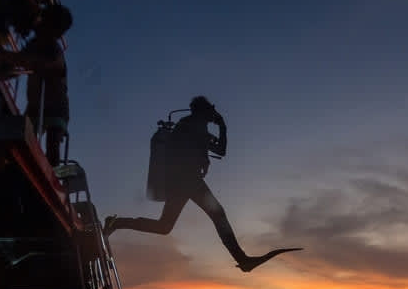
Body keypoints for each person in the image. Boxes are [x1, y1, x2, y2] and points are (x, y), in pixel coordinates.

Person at [103, 96, 302, 272]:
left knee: (164, 227)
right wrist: (222, 125)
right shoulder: (192, 125)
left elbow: (216, 150)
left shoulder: (191, 126)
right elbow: (218, 149)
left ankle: (117, 222)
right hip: (187, 181)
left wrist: (215, 136)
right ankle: (243, 260)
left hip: (181, 183)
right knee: (218, 214)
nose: (213, 114)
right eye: (211, 111)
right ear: (203, 112)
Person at [0, 4, 72, 166]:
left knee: (52, 144)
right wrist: (3, 69)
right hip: (34, 107)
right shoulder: (34, 44)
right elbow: (18, 63)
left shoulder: (55, 52)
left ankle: (52, 172)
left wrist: (1, 53)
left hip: (57, 108)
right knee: (21, 139)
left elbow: (29, 61)